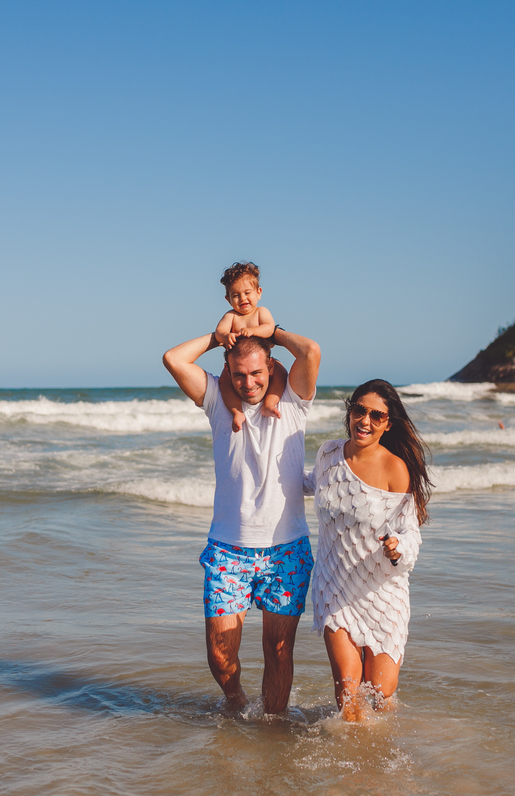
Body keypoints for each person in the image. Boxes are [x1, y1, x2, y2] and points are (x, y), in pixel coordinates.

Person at [162, 322, 320, 714]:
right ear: (227, 373)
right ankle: (237, 703)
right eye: (238, 375)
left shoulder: (293, 399)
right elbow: (173, 359)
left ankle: (274, 726)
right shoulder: (218, 400)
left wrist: (270, 332)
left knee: (279, 651)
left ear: (271, 367)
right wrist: (218, 338)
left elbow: (310, 352)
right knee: (220, 653)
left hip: (286, 550)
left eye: (256, 373)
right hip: (228, 549)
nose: (248, 383)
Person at [306, 379, 432, 721]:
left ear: (388, 424)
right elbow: (311, 483)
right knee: (348, 693)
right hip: (334, 586)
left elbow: (410, 532)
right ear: (350, 412)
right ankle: (351, 751)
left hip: (381, 591)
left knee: (380, 694)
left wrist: (397, 547)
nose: (365, 421)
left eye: (377, 416)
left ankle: (383, 746)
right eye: (359, 411)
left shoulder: (395, 468)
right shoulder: (329, 454)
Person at [214, 262, 287, 433]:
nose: (243, 299)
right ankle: (237, 412)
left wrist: (253, 331)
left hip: (261, 361)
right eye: (236, 295)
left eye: (247, 293)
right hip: (237, 365)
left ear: (258, 292)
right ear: (228, 299)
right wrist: (226, 336)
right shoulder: (231, 316)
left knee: (281, 373)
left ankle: (269, 404)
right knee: (224, 382)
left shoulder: (261, 312)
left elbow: (269, 328)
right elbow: (219, 332)